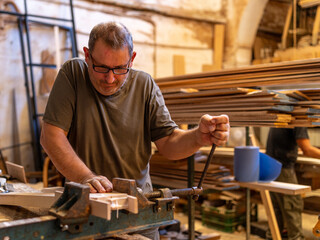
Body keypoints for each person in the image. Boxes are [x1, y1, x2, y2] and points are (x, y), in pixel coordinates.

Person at [40, 21, 230, 239]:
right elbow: (51, 136)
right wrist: (85, 177)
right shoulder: (73, 74)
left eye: (120, 69)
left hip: (138, 214)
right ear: (87, 56)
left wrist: (198, 136)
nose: (110, 79)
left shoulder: (145, 86)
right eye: (101, 68)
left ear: (132, 59)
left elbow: (168, 143)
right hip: (84, 212)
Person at [266, 127, 320, 240]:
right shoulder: (299, 120)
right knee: (292, 207)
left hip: (271, 167)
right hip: (283, 169)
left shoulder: (282, 115)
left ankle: (272, 237)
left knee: (276, 211)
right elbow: (307, 149)